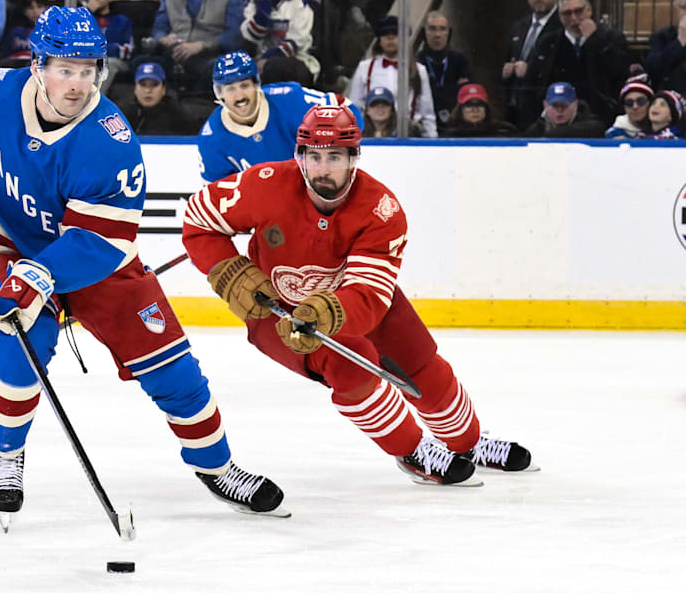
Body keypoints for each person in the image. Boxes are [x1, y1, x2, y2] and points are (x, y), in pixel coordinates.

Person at [0, 6, 287, 522]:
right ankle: (5, 457)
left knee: (174, 368)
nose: (77, 84)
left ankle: (217, 466)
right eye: (66, 69)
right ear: (38, 65)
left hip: (98, 266)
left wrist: (43, 275)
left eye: (89, 70)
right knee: (22, 350)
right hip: (12, 246)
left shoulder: (111, 142)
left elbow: (103, 240)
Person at [182, 104, 537, 486]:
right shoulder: (264, 184)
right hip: (278, 312)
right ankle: (413, 451)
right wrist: (231, 274)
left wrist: (325, 311)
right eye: (314, 157)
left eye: (334, 156)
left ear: (354, 157)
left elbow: (369, 294)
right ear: (299, 156)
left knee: (421, 364)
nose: (323, 168)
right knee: (353, 366)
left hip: (356, 301)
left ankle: (467, 442)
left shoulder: (381, 210)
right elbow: (198, 221)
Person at [197, 50, 363, 183]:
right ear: (220, 94)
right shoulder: (212, 137)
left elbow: (349, 111)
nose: (239, 96)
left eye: (244, 85)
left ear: (256, 84)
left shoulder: (290, 99)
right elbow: (215, 198)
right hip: (266, 214)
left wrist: (326, 151)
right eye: (230, 89)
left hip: (315, 197)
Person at [347, 15, 437, 137]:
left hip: (409, 134)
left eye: (395, 34)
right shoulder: (365, 68)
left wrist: (432, 142)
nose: (390, 38)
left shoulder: (419, 70)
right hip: (374, 135)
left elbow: (427, 113)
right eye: (385, 34)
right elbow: (355, 108)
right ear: (379, 39)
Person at [551, 0, 629, 126]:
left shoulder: (612, 37)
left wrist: (594, 39)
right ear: (560, 16)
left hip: (603, 115)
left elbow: (620, 71)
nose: (574, 18)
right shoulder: (550, 42)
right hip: (562, 117)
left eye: (579, 11)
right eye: (567, 13)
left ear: (589, 10)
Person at [148, 0, 245, 94]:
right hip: (174, 53)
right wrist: (163, 38)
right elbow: (159, 27)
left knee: (217, 70)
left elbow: (233, 36)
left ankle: (196, 104)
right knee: (141, 63)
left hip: (209, 56)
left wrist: (201, 46)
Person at [502, 0, 563, 131]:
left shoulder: (561, 25)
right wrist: (506, 71)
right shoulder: (519, 26)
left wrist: (530, 70)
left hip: (545, 112)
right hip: (516, 109)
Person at [239, 0, 319, 80]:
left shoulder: (299, 2)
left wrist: (268, 58)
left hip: (296, 60)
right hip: (260, 60)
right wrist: (263, 13)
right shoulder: (252, 3)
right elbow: (252, 37)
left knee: (274, 68)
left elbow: (297, 42)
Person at [416, 10, 471, 131]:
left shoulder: (460, 61)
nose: (437, 34)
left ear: (449, 33)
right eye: (432, 29)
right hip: (424, 126)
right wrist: (451, 91)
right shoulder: (416, 62)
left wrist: (435, 92)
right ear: (424, 33)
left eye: (442, 29)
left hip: (455, 125)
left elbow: (465, 96)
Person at [116, 61, 194, 135]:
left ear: (163, 89)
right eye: (143, 84)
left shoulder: (179, 116)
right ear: (135, 89)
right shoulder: (120, 114)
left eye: (154, 85)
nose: (148, 90)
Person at [84, 0, 133, 94]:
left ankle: (93, 103)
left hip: (115, 62)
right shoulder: (84, 19)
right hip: (86, 60)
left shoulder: (122, 21)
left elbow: (127, 50)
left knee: (105, 63)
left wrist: (96, 48)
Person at [522, 81, 604, 137]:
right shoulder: (534, 132)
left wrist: (554, 134)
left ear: (575, 104)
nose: (560, 110)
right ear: (545, 105)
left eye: (564, 105)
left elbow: (597, 128)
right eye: (554, 106)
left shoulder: (591, 128)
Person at [644, 0, 686, 94]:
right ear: (676, 8)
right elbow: (653, 70)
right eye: (684, 7)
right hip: (670, 102)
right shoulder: (662, 36)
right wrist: (680, 40)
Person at [442, 83, 518, 138]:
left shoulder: (502, 130)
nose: (475, 110)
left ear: (486, 108)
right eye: (469, 105)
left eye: (480, 104)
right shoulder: (451, 135)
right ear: (460, 109)